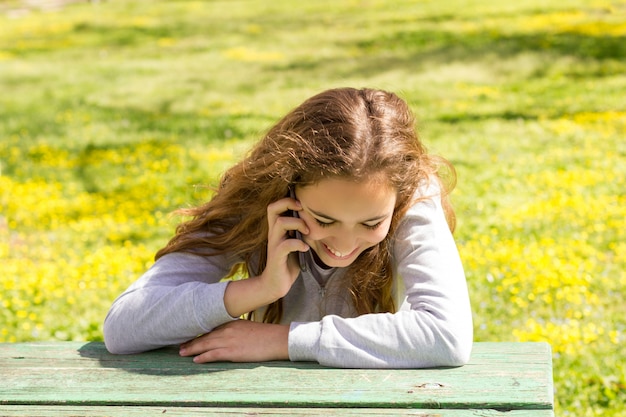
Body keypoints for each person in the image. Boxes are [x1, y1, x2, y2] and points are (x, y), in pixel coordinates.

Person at [103, 87, 473, 368]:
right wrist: (260, 289)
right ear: (288, 187)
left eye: (372, 222)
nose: (344, 243)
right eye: (324, 220)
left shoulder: (412, 197)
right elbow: (123, 326)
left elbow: (446, 336)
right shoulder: (255, 200)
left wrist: (284, 341)